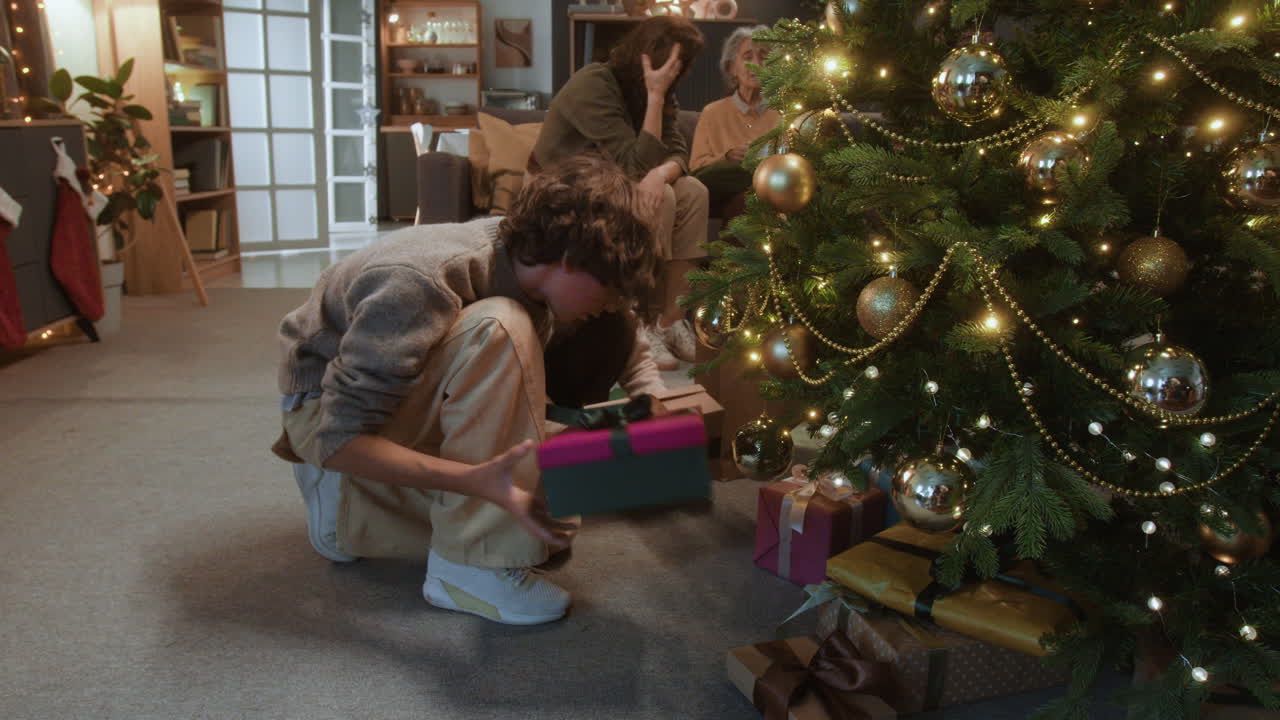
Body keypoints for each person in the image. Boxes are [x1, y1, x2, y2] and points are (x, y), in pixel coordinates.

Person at [272, 155, 659, 626]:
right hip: (326, 418)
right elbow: (338, 440)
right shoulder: (418, 281)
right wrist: (474, 483)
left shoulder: (526, 266)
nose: (612, 303)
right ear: (569, 260)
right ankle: (464, 568)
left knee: (550, 508)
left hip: (394, 398)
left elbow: (612, 338)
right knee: (501, 328)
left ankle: (355, 516)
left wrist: (633, 413)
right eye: (610, 287)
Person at [532, 15, 709, 371]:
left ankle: (670, 321)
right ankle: (640, 326)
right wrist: (656, 97)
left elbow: (676, 150)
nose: (677, 72)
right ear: (647, 55)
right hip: (562, 188)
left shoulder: (652, 89)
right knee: (665, 197)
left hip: (613, 180)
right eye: (673, 62)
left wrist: (662, 172)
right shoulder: (594, 84)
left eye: (682, 65)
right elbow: (633, 163)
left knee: (693, 191)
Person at [690, 25, 779, 220]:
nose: (756, 64)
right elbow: (696, 168)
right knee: (743, 199)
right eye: (748, 57)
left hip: (774, 192)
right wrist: (728, 157)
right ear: (732, 68)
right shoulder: (712, 113)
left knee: (749, 199)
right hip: (724, 193)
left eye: (763, 57)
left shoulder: (784, 113)